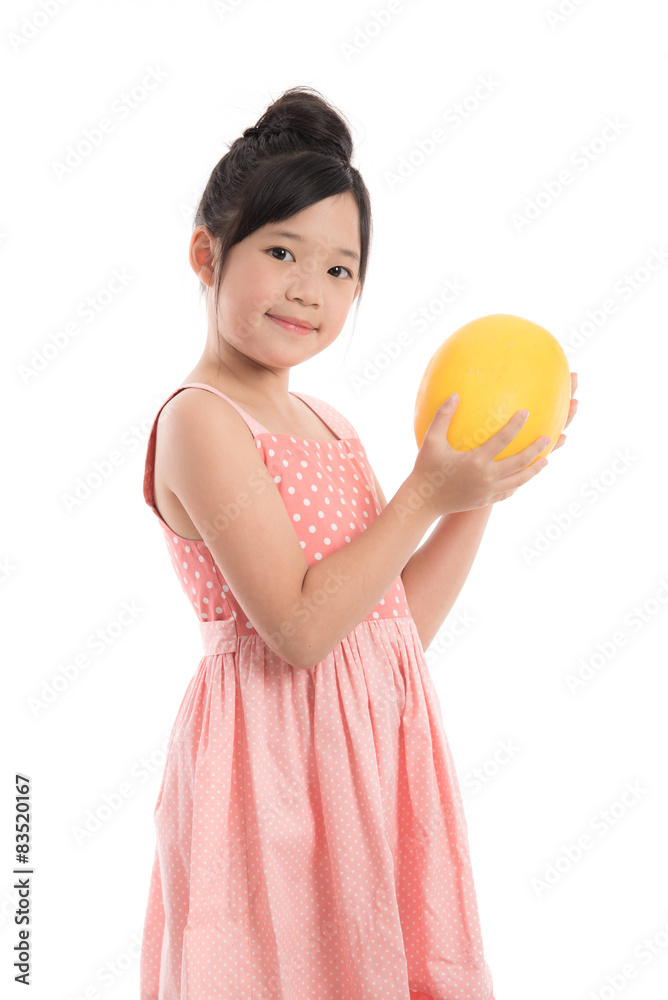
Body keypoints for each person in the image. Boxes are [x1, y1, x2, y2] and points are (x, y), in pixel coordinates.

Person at [138, 85, 578, 1000]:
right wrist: (425, 489)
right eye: (282, 251)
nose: (309, 287)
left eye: (341, 270)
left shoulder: (330, 423)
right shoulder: (199, 423)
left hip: (374, 762)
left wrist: (475, 492)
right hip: (270, 781)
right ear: (205, 255)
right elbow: (300, 631)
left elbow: (389, 631)